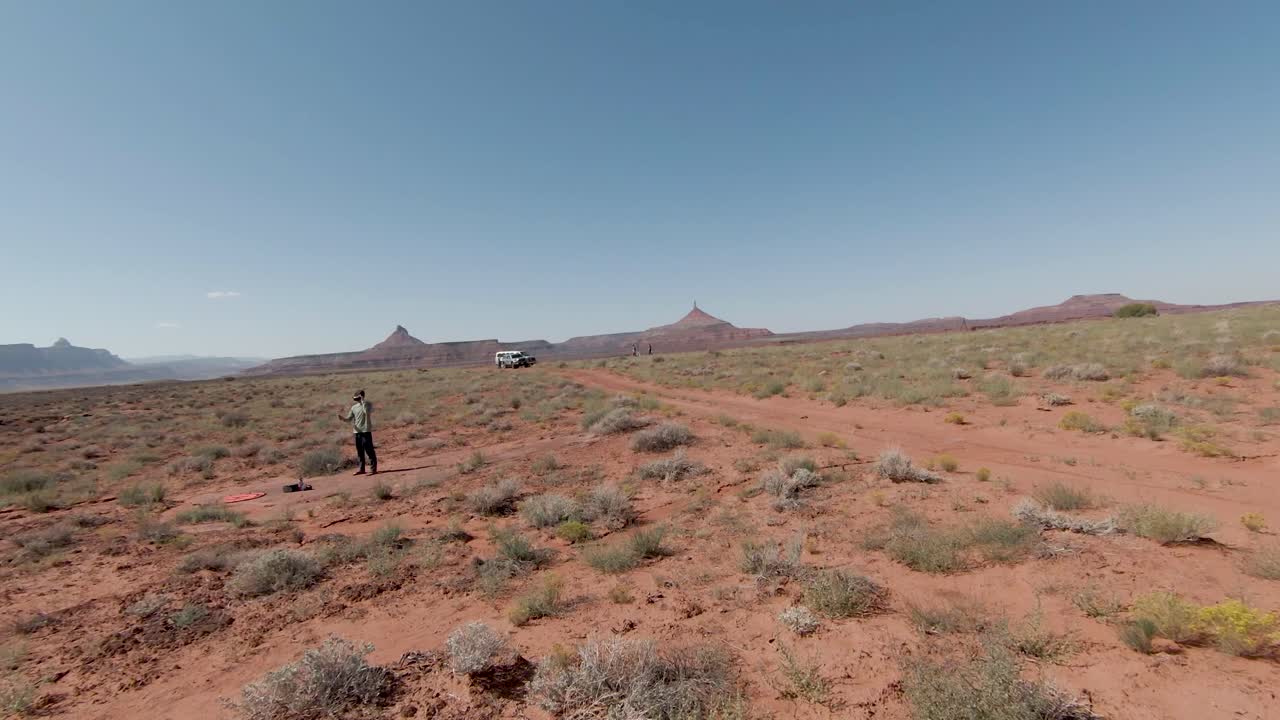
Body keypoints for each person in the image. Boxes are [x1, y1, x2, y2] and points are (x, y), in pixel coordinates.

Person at [338, 390, 377, 475]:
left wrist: (363, 402)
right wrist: (343, 419)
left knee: (369, 450)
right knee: (360, 451)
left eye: (358, 398)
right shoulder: (353, 407)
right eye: (355, 399)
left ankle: (373, 469)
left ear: (362, 397)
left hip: (366, 430)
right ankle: (361, 469)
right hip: (357, 432)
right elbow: (349, 419)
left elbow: (366, 412)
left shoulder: (367, 404)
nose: (356, 400)